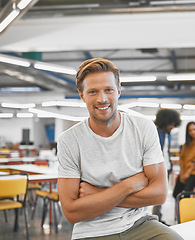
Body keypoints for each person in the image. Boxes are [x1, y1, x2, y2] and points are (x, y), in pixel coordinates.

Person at [57, 58, 183, 240]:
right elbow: (71, 212)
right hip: (91, 230)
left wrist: (99, 195)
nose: (102, 99)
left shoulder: (143, 128)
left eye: (108, 90)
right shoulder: (69, 140)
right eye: (93, 91)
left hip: (139, 224)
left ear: (119, 91)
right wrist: (129, 185)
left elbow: (160, 194)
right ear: (82, 95)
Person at [152, 108, 181, 222]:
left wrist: (171, 167)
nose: (172, 127)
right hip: (158, 168)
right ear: (165, 122)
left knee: (162, 194)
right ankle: (155, 219)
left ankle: (158, 217)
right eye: (171, 124)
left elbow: (167, 151)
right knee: (157, 195)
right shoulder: (156, 133)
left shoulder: (168, 134)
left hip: (167, 167)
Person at [172, 121, 195, 198]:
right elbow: (182, 159)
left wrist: (187, 173)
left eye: (194, 129)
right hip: (184, 171)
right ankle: (181, 209)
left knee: (186, 194)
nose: (193, 132)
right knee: (176, 194)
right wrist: (183, 173)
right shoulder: (186, 144)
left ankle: (186, 209)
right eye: (190, 130)